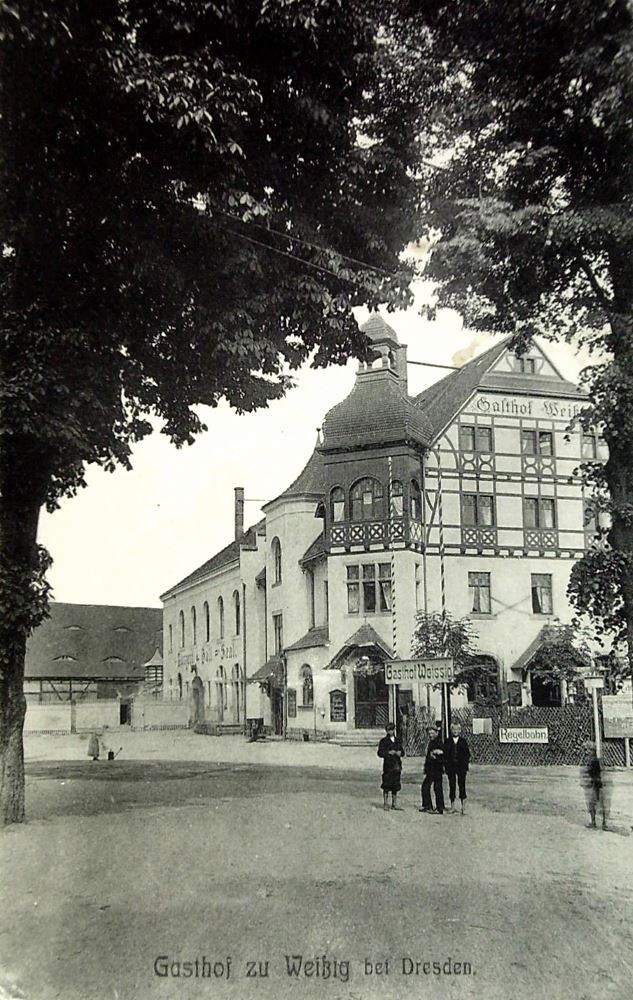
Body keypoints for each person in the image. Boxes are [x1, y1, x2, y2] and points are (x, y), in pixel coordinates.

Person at [443, 721, 471, 814]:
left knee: (462, 785)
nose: (455, 731)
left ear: (460, 730)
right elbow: (445, 755)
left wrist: (465, 765)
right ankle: (452, 806)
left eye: (457, 729)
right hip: (451, 767)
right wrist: (446, 765)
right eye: (453, 729)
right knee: (452, 785)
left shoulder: (463, 741)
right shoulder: (447, 741)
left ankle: (463, 807)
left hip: (461, 767)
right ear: (451, 730)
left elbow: (467, 755)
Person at [580, 742, 609, 830]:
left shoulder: (592, 760)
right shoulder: (594, 760)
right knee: (598, 803)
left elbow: (592, 773)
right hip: (596, 783)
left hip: (594, 784)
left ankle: (596, 822)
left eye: (588, 750)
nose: (586, 752)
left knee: (592, 803)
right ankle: (602, 823)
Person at [377, 722, 405, 811]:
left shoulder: (398, 740)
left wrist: (399, 753)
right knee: (386, 785)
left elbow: (402, 751)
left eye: (392, 730)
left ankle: (394, 803)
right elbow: (380, 753)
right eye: (389, 730)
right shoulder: (383, 741)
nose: (390, 732)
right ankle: (385, 803)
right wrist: (388, 753)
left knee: (395, 784)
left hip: (396, 765)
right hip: (388, 766)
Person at [419, 721, 445, 814]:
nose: (430, 735)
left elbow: (443, 753)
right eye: (429, 733)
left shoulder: (439, 742)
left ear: (437, 733)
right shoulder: (431, 742)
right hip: (430, 769)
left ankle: (439, 807)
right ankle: (428, 805)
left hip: (437, 768)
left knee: (437, 787)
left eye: (432, 733)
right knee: (426, 786)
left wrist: (437, 754)